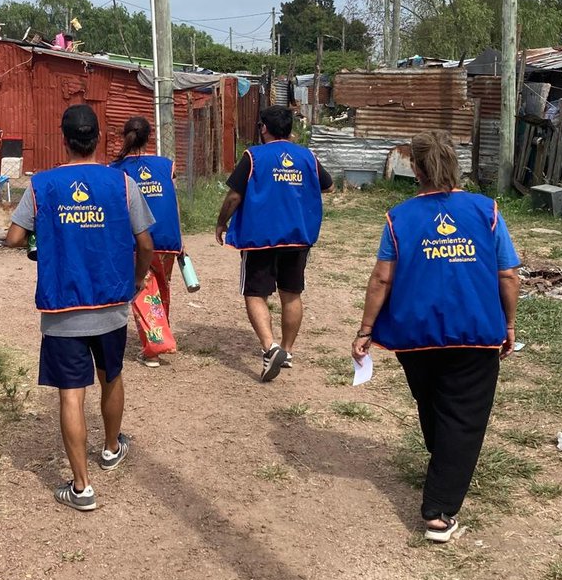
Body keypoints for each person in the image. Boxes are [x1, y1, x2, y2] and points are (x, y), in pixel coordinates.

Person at [351, 130, 521, 543]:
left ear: (416, 168)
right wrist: (510, 324)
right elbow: (508, 274)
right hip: (475, 331)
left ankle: (443, 463)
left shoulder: (399, 217)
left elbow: (382, 278)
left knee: (433, 402)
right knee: (463, 418)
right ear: (454, 165)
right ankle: (439, 513)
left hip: (416, 336)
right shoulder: (487, 212)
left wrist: (366, 329)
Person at [6, 105, 154, 512]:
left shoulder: (42, 186)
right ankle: (110, 448)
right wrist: (137, 279)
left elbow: (14, 238)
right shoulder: (122, 184)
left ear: (64, 138)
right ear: (99, 138)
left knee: (71, 395)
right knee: (111, 377)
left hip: (62, 309)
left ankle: (81, 487)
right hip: (110, 304)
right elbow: (145, 244)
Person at [215, 105, 333, 382]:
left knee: (255, 293)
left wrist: (222, 222)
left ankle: (271, 347)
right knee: (291, 293)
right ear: (290, 129)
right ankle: (287, 351)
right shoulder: (307, 156)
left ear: (264, 128)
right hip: (297, 236)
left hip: (260, 239)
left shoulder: (253, 156)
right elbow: (327, 185)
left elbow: (234, 197)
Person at [113, 116, 182, 367]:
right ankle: (161, 334)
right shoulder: (166, 165)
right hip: (168, 237)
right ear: (149, 137)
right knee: (163, 288)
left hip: (138, 240)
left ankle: (153, 347)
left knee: (142, 288)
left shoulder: (116, 170)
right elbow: (173, 202)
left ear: (125, 136)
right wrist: (180, 239)